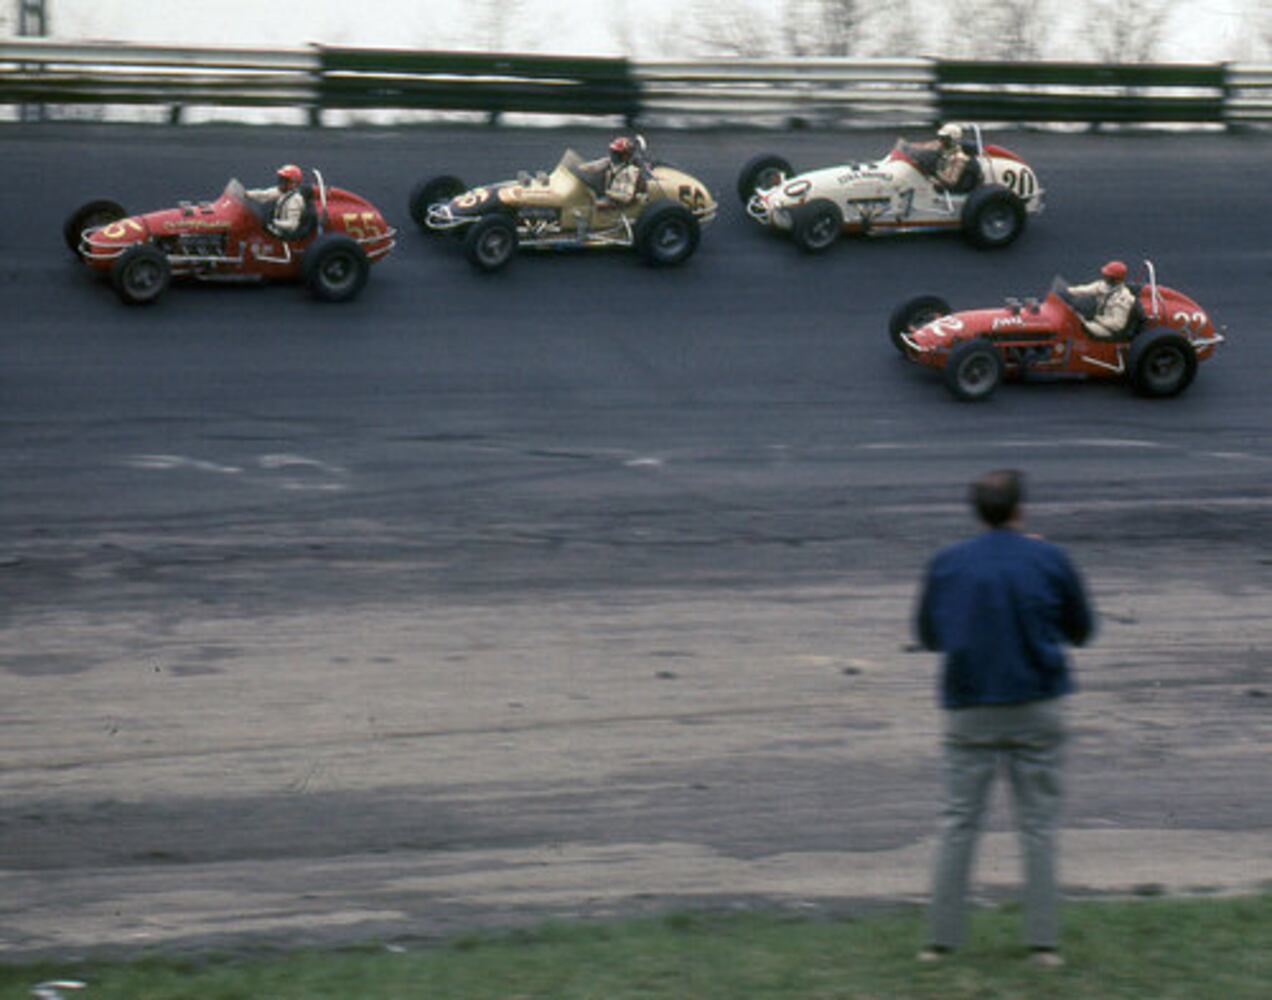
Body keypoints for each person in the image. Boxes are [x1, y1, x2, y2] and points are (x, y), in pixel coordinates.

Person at [914, 469, 1094, 969]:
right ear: (1021, 510)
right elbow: (1082, 630)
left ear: (978, 512)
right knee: (1038, 825)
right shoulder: (1050, 558)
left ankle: (940, 942)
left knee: (957, 822)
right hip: (1037, 703)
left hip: (970, 706)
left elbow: (930, 636)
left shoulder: (947, 563)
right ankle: (1043, 944)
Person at [1066, 261, 1138, 339]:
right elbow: (1085, 289)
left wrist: (1098, 319)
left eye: (1108, 276)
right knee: (1074, 321)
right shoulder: (1104, 286)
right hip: (1099, 322)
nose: (1105, 278)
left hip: (1108, 330)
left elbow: (1117, 325)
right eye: (1105, 275)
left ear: (1116, 280)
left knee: (1077, 327)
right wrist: (1067, 291)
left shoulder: (1123, 298)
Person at [246, 163, 306, 238]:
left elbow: (292, 225)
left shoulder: (295, 200)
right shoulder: (283, 192)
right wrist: (246, 194)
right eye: (281, 179)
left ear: (293, 183)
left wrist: (274, 223)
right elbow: (264, 194)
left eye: (284, 180)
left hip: (284, 237)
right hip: (277, 231)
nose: (281, 182)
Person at [908, 123, 972, 192]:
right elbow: (921, 146)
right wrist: (908, 147)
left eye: (945, 138)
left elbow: (951, 182)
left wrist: (935, 172)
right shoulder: (938, 145)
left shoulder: (959, 158)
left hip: (941, 188)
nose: (941, 140)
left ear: (953, 140)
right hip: (925, 176)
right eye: (941, 137)